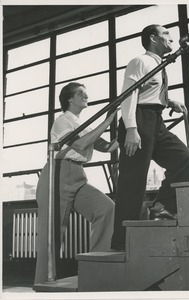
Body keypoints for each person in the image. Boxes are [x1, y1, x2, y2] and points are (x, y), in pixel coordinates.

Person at [110, 24, 189, 251]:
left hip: (156, 120)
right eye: (166, 33)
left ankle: (161, 205)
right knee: (133, 180)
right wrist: (131, 128)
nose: (171, 37)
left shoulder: (161, 64)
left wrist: (168, 101)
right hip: (138, 119)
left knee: (184, 158)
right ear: (153, 38)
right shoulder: (140, 61)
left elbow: (150, 92)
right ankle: (121, 243)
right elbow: (129, 96)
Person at [34, 82, 119, 284]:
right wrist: (109, 119)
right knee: (51, 236)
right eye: (81, 93)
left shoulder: (85, 125)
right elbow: (80, 143)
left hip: (78, 175)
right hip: (58, 173)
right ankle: (42, 286)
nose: (86, 95)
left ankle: (97, 268)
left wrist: (127, 130)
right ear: (69, 99)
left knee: (106, 209)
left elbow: (108, 147)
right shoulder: (62, 121)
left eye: (85, 92)